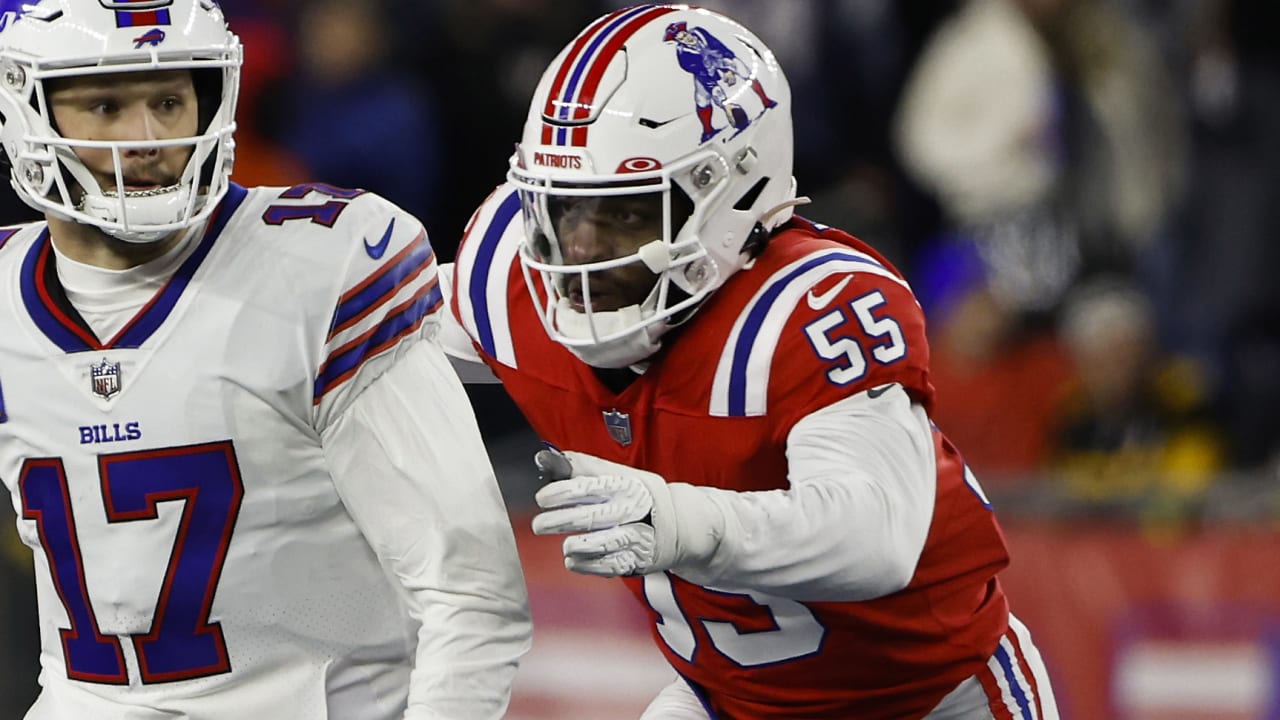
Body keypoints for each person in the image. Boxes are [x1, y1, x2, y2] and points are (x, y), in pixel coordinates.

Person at [440, 4, 1058, 718]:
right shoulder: (509, 278)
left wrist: (678, 521)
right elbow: (361, 346)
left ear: (734, 192)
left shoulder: (807, 306)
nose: (580, 249)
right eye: (565, 211)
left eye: (628, 213)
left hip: (924, 699)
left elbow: (875, 536)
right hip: (728, 700)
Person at [0, 2, 530, 719]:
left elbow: (469, 592)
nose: (150, 138)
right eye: (105, 104)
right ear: (25, 112)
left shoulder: (320, 267)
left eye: (168, 100)